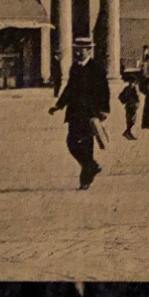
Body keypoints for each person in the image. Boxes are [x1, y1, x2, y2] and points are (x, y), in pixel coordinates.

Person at [50, 38, 111, 189]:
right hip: (74, 112)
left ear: (90, 50)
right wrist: (58, 105)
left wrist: (103, 110)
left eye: (84, 49)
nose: (80, 51)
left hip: (90, 113)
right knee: (71, 142)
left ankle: (85, 180)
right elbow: (69, 89)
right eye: (78, 48)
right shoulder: (75, 68)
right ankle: (91, 166)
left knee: (87, 146)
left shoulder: (97, 69)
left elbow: (104, 91)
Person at [118, 75, 141, 140]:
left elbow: (120, 96)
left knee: (130, 120)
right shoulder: (134, 88)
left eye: (132, 82)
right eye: (131, 82)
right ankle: (128, 132)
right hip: (131, 106)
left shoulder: (127, 88)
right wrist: (137, 104)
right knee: (132, 120)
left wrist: (124, 101)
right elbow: (138, 98)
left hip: (129, 106)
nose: (131, 83)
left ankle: (128, 132)